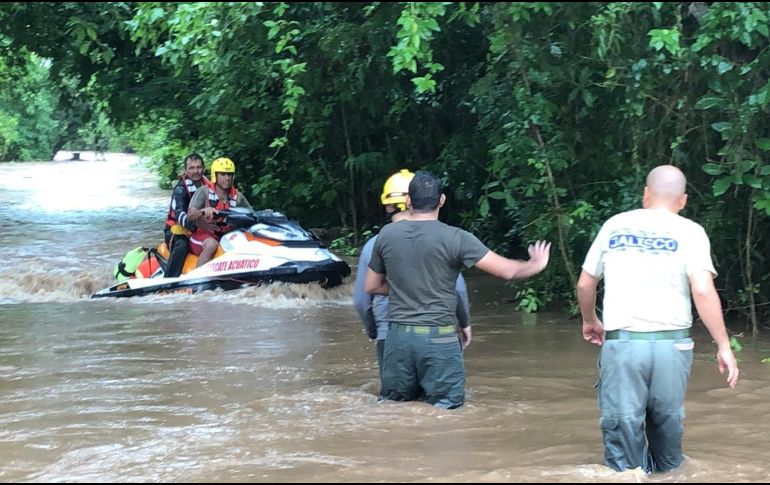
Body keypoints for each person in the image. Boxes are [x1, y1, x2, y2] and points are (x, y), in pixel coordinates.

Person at [576, 164, 739, 474]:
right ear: (683, 200)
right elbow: (702, 290)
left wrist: (590, 319)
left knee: (623, 431)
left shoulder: (615, 226)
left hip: (624, 345)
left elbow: (586, 284)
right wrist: (723, 345)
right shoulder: (691, 232)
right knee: (668, 427)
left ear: (646, 194)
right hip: (673, 347)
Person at [365, 170, 551, 409]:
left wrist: (407, 290)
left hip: (398, 339)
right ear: (441, 200)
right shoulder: (457, 238)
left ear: (409, 201)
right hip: (439, 339)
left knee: (394, 409)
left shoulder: (387, 235)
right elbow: (507, 271)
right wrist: (535, 264)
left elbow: (371, 285)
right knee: (448, 413)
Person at [353, 169, 471, 384]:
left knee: (396, 400)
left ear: (388, 206)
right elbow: (457, 289)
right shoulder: (442, 239)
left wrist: (375, 332)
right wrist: (464, 324)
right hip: (437, 333)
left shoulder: (374, 244)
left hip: (391, 335)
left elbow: (362, 301)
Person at [187, 157, 253, 267]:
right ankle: (197, 276)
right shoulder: (203, 192)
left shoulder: (238, 197)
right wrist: (203, 211)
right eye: (223, 174)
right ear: (215, 175)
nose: (227, 178)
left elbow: (251, 214)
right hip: (202, 236)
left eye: (230, 174)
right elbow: (190, 215)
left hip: (226, 236)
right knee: (212, 245)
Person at [163, 153, 210, 277]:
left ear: (204, 168)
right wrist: (196, 226)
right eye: (192, 168)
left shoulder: (209, 186)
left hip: (202, 228)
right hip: (176, 230)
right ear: (185, 170)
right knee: (182, 245)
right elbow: (180, 215)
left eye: (199, 167)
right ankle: (169, 280)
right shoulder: (180, 190)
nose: (196, 171)